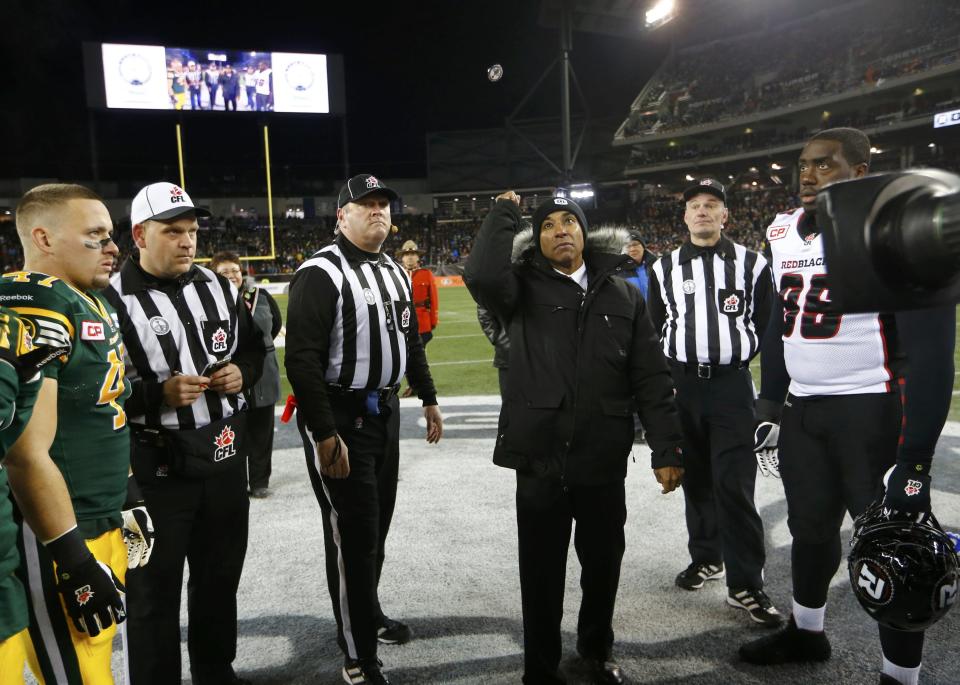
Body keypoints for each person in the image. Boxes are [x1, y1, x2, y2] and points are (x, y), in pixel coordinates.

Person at [738, 127, 956, 685]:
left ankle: (899, 676)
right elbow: (778, 322)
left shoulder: (898, 229)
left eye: (825, 165)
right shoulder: (783, 229)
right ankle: (807, 633)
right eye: (804, 165)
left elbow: (932, 355)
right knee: (811, 531)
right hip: (806, 412)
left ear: (860, 172)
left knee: (895, 547)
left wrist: (914, 461)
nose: (809, 175)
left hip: (873, 411)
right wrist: (769, 397)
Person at [464, 192, 684, 685]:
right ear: (536, 239)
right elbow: (479, 275)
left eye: (570, 222)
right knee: (540, 575)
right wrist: (503, 212)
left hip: (602, 457)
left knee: (603, 566)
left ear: (585, 233)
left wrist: (667, 448)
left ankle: (594, 653)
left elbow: (651, 376)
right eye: (548, 225)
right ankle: (540, 671)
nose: (561, 230)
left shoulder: (625, 294)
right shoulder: (518, 287)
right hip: (539, 458)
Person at [285, 173, 443, 685]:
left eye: (383, 205)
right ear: (341, 216)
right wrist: (324, 433)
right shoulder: (319, 273)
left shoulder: (395, 270)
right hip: (342, 417)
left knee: (377, 526)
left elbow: (411, 341)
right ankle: (357, 654)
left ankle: (367, 612)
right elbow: (303, 362)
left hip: (386, 413)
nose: (377, 211)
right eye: (365, 204)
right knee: (353, 535)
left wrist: (431, 396)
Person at [105, 182, 265, 685]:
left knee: (220, 577)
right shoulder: (108, 298)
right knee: (152, 591)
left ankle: (216, 670)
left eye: (192, 231)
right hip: (152, 470)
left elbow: (256, 349)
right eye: (172, 231)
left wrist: (243, 370)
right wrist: (156, 396)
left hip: (222, 459)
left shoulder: (218, 286)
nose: (186, 241)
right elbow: (93, 395)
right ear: (139, 235)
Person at [3, 183, 136, 683]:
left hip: (97, 514)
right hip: (56, 529)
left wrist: (127, 493)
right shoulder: (29, 300)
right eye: (94, 235)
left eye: (110, 234)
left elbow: (104, 413)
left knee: (95, 655)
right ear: (43, 237)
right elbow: (23, 453)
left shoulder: (86, 299)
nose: (112, 246)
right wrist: (73, 558)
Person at [646, 178, 781, 626]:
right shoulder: (663, 269)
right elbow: (656, 328)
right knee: (696, 479)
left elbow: (766, 327)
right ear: (684, 217)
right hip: (682, 386)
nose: (702, 211)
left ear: (725, 216)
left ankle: (746, 585)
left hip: (730, 387)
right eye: (695, 205)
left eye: (712, 205)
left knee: (735, 485)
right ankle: (707, 557)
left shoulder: (753, 264)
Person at [211, 252, 282, 498]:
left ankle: (260, 481)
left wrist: (258, 353)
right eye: (224, 272)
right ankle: (236, 481)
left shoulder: (261, 297)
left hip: (262, 372)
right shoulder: (210, 300)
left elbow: (275, 325)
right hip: (228, 373)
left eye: (234, 270)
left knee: (262, 428)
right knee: (234, 430)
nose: (231, 275)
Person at [398, 240, 438, 397]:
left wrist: (433, 321)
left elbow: (433, 299)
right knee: (406, 355)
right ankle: (414, 385)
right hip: (404, 322)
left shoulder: (426, 274)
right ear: (402, 258)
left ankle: (417, 385)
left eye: (412, 254)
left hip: (423, 322)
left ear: (418, 257)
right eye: (406, 255)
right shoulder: (397, 274)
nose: (409, 258)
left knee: (419, 356)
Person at [476, 304, 509, 396]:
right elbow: (483, 307)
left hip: (540, 353)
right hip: (508, 351)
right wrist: (498, 339)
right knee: (510, 402)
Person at [619, 231, 656, 300]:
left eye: (635, 244)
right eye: (628, 246)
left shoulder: (656, 267)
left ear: (643, 246)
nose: (632, 249)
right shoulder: (618, 272)